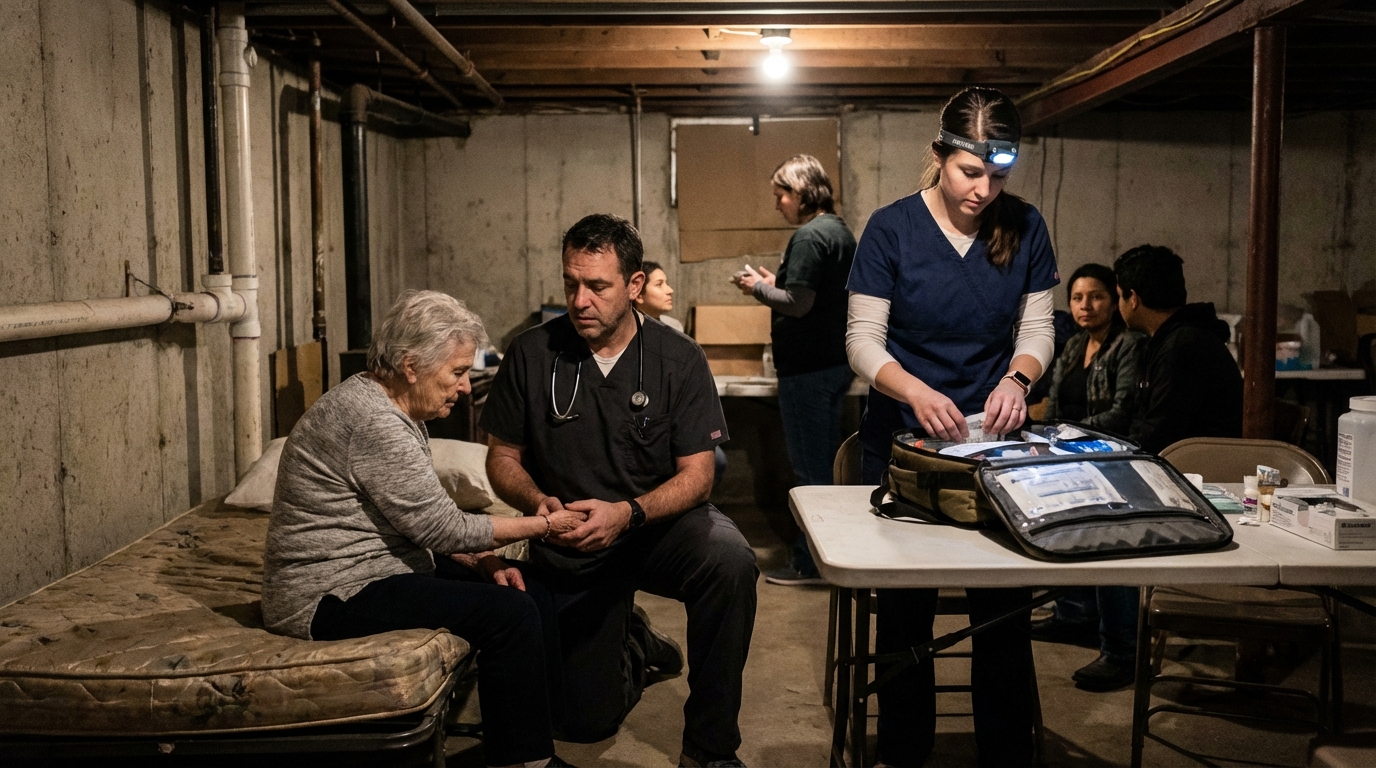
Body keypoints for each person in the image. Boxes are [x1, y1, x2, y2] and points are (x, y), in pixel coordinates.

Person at [481, 213, 759, 768]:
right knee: (584, 724)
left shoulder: (677, 359)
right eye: (570, 284)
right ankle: (635, 643)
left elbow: (699, 475)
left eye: (597, 286)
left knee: (730, 561)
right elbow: (501, 458)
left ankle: (710, 748)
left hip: (654, 528)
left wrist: (628, 514)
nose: (580, 300)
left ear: (634, 286)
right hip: (572, 542)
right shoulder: (533, 354)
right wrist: (537, 504)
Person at [262, 290, 583, 768]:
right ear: (411, 365)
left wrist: (485, 558)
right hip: (329, 593)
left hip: (376, 566)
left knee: (530, 588)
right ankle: (522, 761)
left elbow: (414, 516)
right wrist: (543, 524)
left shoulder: (393, 406)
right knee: (509, 615)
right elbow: (442, 526)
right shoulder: (375, 421)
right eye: (456, 373)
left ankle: (542, 732)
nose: (464, 387)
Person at [845, 87, 1057, 767]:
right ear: (938, 156)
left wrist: (1017, 380)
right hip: (907, 446)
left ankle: (1005, 752)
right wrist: (913, 388)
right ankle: (906, 752)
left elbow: (1038, 330)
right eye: (971, 172)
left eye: (999, 176)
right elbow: (861, 339)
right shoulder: (892, 229)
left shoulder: (1023, 226)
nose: (984, 190)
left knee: (1002, 614)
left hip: (995, 447)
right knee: (907, 617)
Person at [731, 154, 857, 586]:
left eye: (781, 194)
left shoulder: (808, 237)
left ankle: (810, 563)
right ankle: (832, 555)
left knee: (809, 470)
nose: (778, 203)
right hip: (834, 364)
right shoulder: (838, 231)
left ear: (803, 193)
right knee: (825, 463)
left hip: (807, 369)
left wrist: (758, 288)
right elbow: (812, 295)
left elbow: (799, 304)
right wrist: (775, 284)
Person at [1033, 263, 1147, 692]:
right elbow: (1056, 401)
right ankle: (1073, 613)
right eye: (1078, 298)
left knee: (1107, 543)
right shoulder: (1074, 344)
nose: (1086, 306)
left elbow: (1123, 410)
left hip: (1111, 453)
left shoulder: (1128, 344)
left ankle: (1120, 648)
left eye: (1096, 296)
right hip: (1068, 449)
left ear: (1114, 301)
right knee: (1060, 525)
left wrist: (1070, 435)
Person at [1115, 244, 1243, 454]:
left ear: (1134, 299)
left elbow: (1160, 433)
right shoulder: (1165, 340)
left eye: (1120, 296)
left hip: (1205, 467)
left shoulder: (1183, 346)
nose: (1119, 304)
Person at [636, 260, 684, 332]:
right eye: (659, 284)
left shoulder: (674, 326)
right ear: (639, 295)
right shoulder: (623, 333)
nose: (670, 290)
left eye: (666, 283)